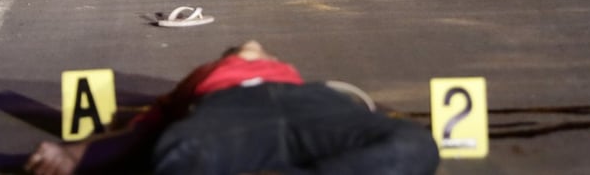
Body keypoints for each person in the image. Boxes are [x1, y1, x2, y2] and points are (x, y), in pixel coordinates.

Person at [24, 40, 440, 175]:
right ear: (224, 61)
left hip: (308, 105)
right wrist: (75, 154)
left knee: (416, 144)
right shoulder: (201, 79)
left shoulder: (293, 76)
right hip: (230, 111)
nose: (252, 44)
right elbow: (144, 133)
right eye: (243, 48)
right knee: (177, 152)